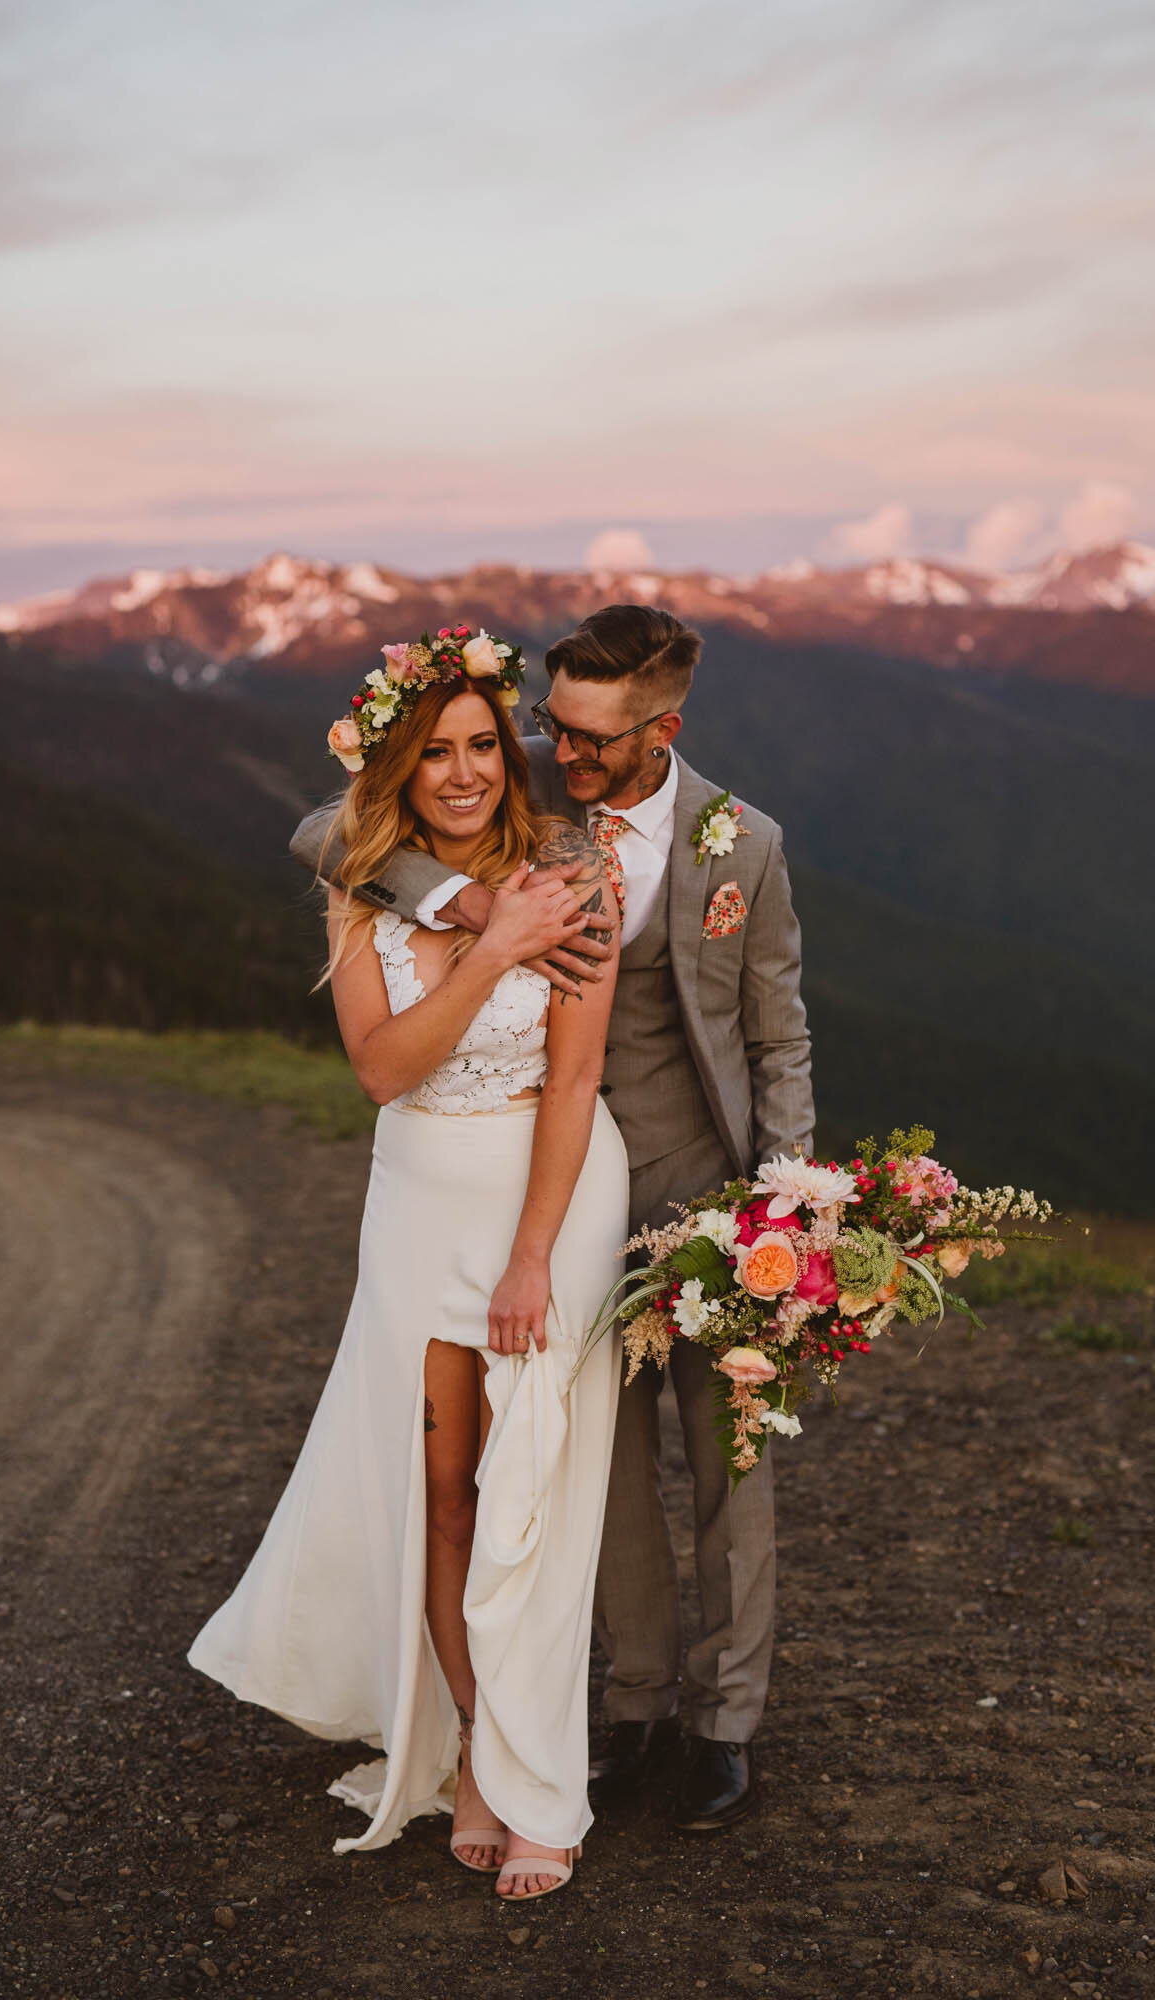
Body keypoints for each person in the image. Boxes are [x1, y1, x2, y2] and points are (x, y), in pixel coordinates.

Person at [290, 605, 813, 1833]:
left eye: (585, 739)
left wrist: (790, 1204)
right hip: (572, 1185)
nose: (553, 753)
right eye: (549, 726)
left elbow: (777, 1031)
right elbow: (330, 827)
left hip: (714, 1193)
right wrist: (459, 905)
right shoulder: (515, 773)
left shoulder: (744, 843)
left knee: (732, 1460)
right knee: (606, 1463)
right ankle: (632, 1707)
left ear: (659, 729)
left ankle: (725, 1724)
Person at [189, 628, 627, 1901]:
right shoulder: (364, 877)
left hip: (547, 1193)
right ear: (396, 762)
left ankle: (533, 1778)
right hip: (417, 1198)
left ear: (514, 751)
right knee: (442, 1496)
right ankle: (468, 1754)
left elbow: (576, 1074)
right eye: (435, 751)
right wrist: (486, 946)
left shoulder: (572, 870)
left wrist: (536, 1254)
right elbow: (383, 1069)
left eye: (485, 744)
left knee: (527, 1496)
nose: (464, 771)